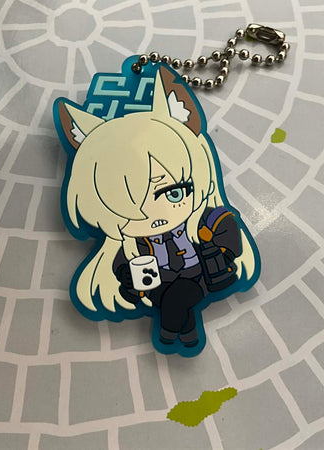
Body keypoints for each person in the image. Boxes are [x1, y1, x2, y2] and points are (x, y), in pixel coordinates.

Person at [55, 65, 260, 355]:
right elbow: (121, 265)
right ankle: (185, 331)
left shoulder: (204, 222)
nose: (154, 217)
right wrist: (127, 277)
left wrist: (220, 252)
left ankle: (170, 331)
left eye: (174, 193)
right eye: (126, 210)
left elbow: (227, 228)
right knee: (177, 296)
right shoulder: (134, 246)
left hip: (199, 276)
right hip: (157, 286)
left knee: (181, 294)